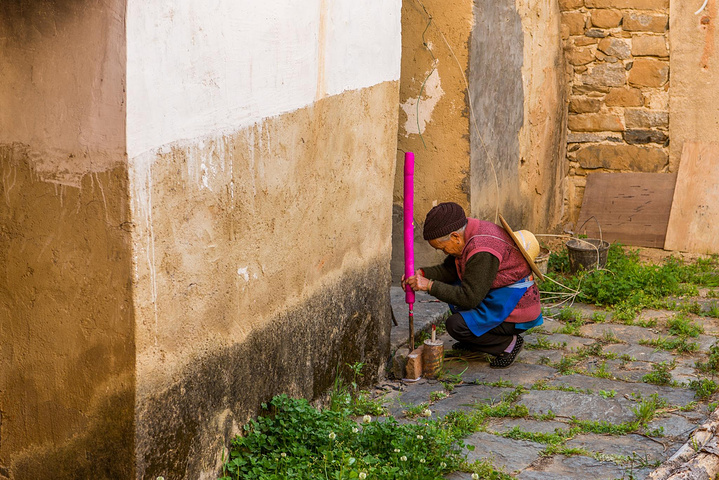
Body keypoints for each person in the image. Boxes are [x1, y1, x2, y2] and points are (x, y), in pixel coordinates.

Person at [402, 202, 543, 368]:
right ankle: (477, 339)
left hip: (516, 310)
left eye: (443, 248)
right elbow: (450, 270)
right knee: (454, 291)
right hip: (497, 296)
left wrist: (429, 286)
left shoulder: (481, 250)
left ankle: (507, 344)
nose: (444, 252)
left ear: (455, 236)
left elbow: (469, 298)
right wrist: (422, 274)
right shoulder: (468, 232)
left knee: (456, 325)